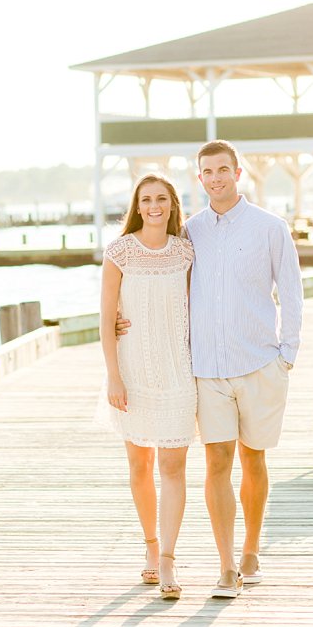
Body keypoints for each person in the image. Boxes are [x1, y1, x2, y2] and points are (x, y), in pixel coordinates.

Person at [185, 140, 303, 598]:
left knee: (254, 458)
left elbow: (291, 291)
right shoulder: (189, 231)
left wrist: (287, 354)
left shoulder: (270, 228)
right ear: (200, 179)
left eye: (222, 170)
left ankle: (252, 548)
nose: (215, 178)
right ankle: (226, 564)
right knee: (216, 461)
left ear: (238, 172)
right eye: (207, 172)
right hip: (208, 368)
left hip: (259, 362)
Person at [98, 173, 196, 600]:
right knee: (139, 467)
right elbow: (105, 321)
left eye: (162, 199)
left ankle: (171, 561)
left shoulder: (186, 253)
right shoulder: (119, 252)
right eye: (146, 200)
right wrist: (113, 376)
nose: (154, 206)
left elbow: (199, 309)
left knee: (173, 468)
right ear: (137, 207)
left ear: (173, 204)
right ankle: (151, 550)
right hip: (132, 372)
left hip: (178, 372)